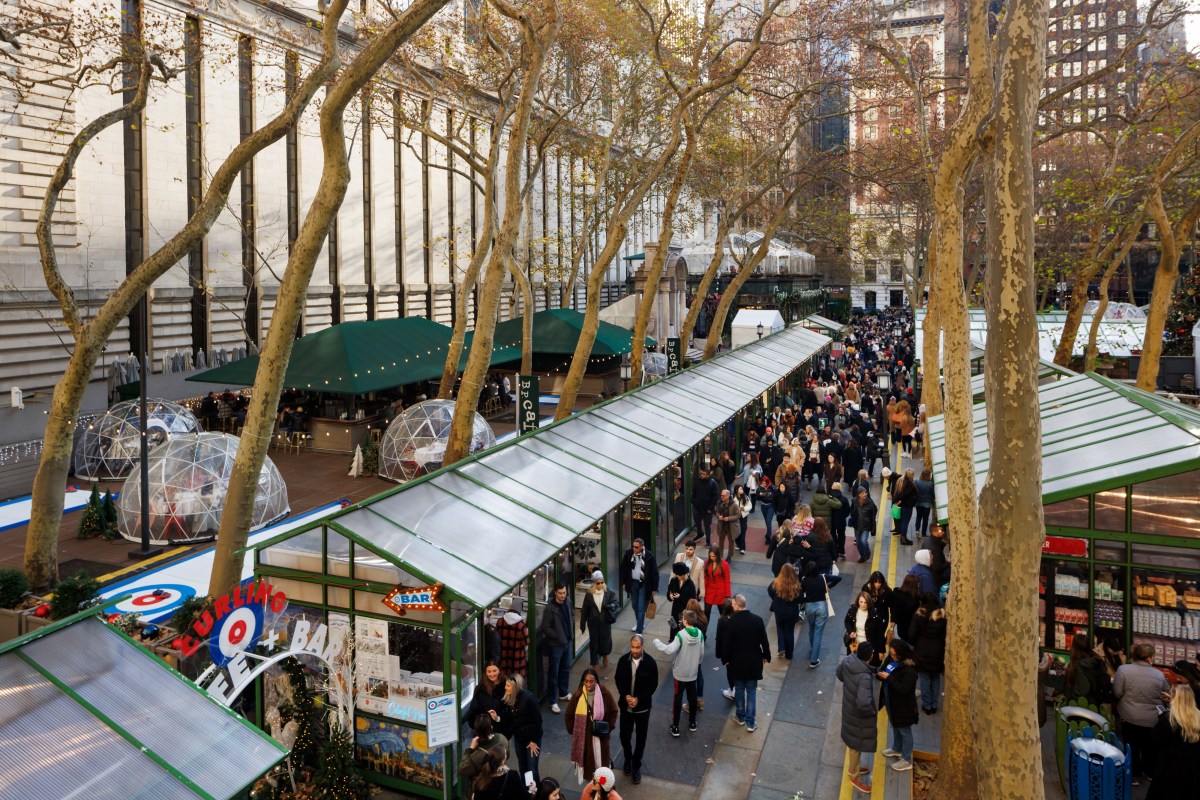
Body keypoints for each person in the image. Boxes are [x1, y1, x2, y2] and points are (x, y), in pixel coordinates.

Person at [1114, 643, 1170, 785]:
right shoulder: (1159, 675)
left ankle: (1134, 775)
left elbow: (1117, 692)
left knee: (1131, 746)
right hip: (1151, 719)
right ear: (1150, 658)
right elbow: (1166, 696)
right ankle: (1150, 772)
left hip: (1128, 715)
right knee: (1149, 747)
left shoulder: (1123, 670)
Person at [720, 594, 771, 732]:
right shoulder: (757, 620)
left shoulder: (731, 623)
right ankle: (750, 722)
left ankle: (740, 716)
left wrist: (725, 659)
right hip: (754, 662)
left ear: (736, 605)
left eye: (733, 604)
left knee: (739, 690)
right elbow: (764, 641)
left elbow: (726, 645)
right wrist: (767, 656)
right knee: (752, 691)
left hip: (736, 663)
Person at [654, 609, 705, 736]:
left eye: (683, 618)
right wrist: (696, 664)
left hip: (680, 673)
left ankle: (675, 726)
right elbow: (701, 654)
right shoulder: (700, 634)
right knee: (692, 698)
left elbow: (669, 650)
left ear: (686, 621)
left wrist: (657, 643)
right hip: (692, 673)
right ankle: (692, 722)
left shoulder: (680, 635)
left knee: (677, 698)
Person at [615, 635, 658, 784]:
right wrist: (625, 695)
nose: (635, 650)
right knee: (624, 735)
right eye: (632, 647)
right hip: (626, 707)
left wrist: (638, 699)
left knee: (641, 738)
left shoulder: (650, 663)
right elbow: (618, 679)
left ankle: (636, 765)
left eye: (637, 647)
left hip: (643, 709)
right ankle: (628, 757)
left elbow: (653, 685)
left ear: (642, 647)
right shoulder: (623, 661)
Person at [564, 668, 618, 785]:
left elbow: (614, 711)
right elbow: (568, 715)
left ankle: (602, 789)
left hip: (601, 738)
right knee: (589, 767)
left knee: (602, 766)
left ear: (596, 681)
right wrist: (575, 731)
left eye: (591, 681)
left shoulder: (605, 693)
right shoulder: (577, 696)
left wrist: (608, 728)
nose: (588, 684)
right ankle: (592, 788)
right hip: (585, 739)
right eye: (586, 681)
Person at [837, 641, 878, 793]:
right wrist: (872, 712)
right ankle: (854, 776)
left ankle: (854, 767)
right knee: (855, 745)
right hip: (858, 717)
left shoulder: (848, 660)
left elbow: (839, 673)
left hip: (848, 710)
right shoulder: (864, 678)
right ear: (870, 656)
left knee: (853, 742)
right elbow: (863, 703)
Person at [1146, 684, 1200, 799]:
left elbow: (1156, 740)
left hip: (1169, 771)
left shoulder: (1169, 720)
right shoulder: (1197, 718)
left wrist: (1161, 718)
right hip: (1192, 773)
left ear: (1175, 699)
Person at [878, 638, 919, 772]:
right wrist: (880, 674)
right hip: (891, 702)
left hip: (903, 707)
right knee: (894, 724)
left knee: (905, 731)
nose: (892, 656)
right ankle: (897, 748)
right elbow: (883, 668)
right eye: (891, 653)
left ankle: (906, 759)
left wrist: (888, 678)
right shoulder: (891, 659)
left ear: (901, 655)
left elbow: (904, 689)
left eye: (895, 655)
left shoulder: (909, 670)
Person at [537, 585, 574, 714]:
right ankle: (552, 701)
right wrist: (558, 636)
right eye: (560, 593)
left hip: (567, 642)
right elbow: (545, 627)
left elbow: (571, 615)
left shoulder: (568, 602)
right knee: (554, 673)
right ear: (555, 593)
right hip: (556, 645)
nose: (563, 595)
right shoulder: (550, 608)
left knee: (565, 668)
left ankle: (563, 693)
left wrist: (569, 634)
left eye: (564, 592)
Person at [907, 594, 946, 714]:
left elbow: (911, 635)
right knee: (935, 677)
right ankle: (934, 704)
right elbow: (945, 635)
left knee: (924, 677)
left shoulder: (919, 615)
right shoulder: (942, 617)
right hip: (938, 651)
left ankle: (926, 705)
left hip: (922, 651)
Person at [502, 673, 543, 786]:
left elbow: (538, 722)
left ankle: (537, 794)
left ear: (515, 687)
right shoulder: (510, 698)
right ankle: (527, 791)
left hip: (531, 739)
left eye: (508, 686)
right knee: (523, 767)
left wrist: (533, 741)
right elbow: (512, 721)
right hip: (519, 738)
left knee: (532, 769)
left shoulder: (529, 699)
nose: (505, 688)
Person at [619, 539, 659, 635]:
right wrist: (623, 583)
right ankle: (640, 623)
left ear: (641, 546)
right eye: (633, 546)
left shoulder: (649, 556)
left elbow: (655, 573)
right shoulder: (629, 554)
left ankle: (639, 631)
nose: (634, 548)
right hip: (632, 583)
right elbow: (623, 569)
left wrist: (654, 588)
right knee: (634, 604)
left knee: (641, 607)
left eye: (636, 547)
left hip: (644, 584)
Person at [1064, 632, 1114, 708]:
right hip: (1096, 706)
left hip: (1081, 707)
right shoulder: (1097, 660)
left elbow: (1081, 691)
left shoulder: (1078, 666)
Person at [580, 571, 616, 670]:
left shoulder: (609, 593)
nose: (600, 585)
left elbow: (615, 604)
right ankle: (594, 662)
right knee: (594, 643)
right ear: (594, 584)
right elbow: (584, 610)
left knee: (605, 640)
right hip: (593, 622)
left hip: (605, 621)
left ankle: (605, 655)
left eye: (601, 582)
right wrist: (582, 624)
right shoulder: (589, 595)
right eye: (597, 583)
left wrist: (610, 606)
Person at [459, 715, 510, 784]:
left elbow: (462, 770)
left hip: (483, 785)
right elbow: (508, 755)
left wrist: (470, 749)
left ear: (476, 731)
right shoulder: (501, 738)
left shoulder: (475, 756)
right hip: (502, 780)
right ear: (491, 727)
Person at [768, 562, 802, 660]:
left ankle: (781, 647)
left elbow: (770, 591)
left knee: (780, 627)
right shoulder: (796, 584)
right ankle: (789, 655)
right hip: (791, 612)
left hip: (779, 609)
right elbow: (800, 599)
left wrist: (775, 599)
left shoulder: (776, 582)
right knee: (789, 632)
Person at [800, 561, 830, 668]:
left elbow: (800, 593)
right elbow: (838, 579)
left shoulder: (804, 580)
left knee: (811, 628)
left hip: (809, 607)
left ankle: (814, 647)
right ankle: (814, 660)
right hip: (821, 606)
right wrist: (828, 587)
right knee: (818, 632)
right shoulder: (822, 578)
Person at [844, 590, 888, 663]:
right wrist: (850, 631)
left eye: (865, 602)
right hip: (855, 645)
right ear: (858, 601)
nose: (863, 604)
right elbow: (847, 621)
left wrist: (881, 651)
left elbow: (880, 633)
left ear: (869, 602)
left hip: (868, 647)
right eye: (861, 602)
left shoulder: (874, 614)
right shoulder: (853, 610)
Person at [464, 663, 506, 730]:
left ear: (499, 670)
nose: (492, 674)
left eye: (494, 671)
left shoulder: (507, 685)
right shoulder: (481, 688)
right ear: (485, 673)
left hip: (503, 726)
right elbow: (473, 709)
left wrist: (498, 719)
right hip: (485, 728)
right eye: (489, 671)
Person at [800, 517, 841, 588]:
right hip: (826, 562)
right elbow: (833, 550)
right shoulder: (828, 536)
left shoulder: (810, 536)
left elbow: (807, 550)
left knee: (814, 579)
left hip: (814, 562)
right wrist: (834, 559)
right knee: (824, 580)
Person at [702, 546, 732, 628]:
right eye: (710, 556)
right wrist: (702, 591)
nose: (712, 558)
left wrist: (727, 595)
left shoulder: (725, 565)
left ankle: (725, 633)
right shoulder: (707, 563)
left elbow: (727, 581)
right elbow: (705, 578)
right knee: (706, 615)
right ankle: (703, 635)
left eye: (713, 556)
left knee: (723, 615)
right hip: (709, 591)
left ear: (718, 555)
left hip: (720, 593)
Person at [690, 468, 720, 547]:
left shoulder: (713, 483)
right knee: (697, 521)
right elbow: (694, 491)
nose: (702, 476)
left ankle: (708, 541)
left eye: (703, 474)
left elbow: (716, 496)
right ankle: (700, 533)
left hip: (707, 509)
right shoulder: (697, 481)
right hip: (697, 507)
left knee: (707, 525)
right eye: (701, 474)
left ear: (708, 475)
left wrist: (710, 508)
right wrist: (693, 501)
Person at [849, 485, 877, 563]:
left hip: (866, 526)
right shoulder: (854, 501)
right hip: (857, 525)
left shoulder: (870, 503)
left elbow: (874, 514)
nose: (865, 494)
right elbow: (852, 510)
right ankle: (862, 556)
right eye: (863, 493)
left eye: (866, 492)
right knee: (858, 542)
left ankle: (867, 553)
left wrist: (873, 528)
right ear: (859, 494)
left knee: (863, 541)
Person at [666, 561, 697, 630]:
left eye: (680, 575)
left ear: (684, 574)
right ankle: (672, 639)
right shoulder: (673, 580)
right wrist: (670, 596)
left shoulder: (690, 584)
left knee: (682, 628)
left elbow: (693, 599)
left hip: (685, 609)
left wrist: (680, 597)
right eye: (677, 575)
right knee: (673, 625)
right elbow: (669, 591)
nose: (678, 576)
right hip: (675, 609)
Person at [888, 574, 920, 641]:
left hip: (901, 627)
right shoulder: (914, 600)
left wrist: (893, 620)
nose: (918, 586)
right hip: (910, 628)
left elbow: (893, 608)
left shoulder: (896, 593)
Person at [891, 469, 917, 544]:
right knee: (905, 522)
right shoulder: (909, 483)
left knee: (902, 521)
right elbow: (906, 494)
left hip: (900, 505)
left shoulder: (900, 480)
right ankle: (903, 539)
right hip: (907, 505)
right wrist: (901, 499)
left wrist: (897, 500)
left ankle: (903, 537)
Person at [828, 482, 850, 560]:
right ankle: (841, 551)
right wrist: (843, 516)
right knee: (841, 536)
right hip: (841, 521)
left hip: (831, 521)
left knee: (832, 535)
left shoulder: (828, 498)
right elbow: (848, 510)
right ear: (840, 489)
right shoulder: (844, 499)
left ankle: (835, 551)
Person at [913, 468, 935, 539]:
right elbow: (932, 494)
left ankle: (917, 530)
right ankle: (923, 533)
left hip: (918, 502)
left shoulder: (917, 481)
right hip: (927, 504)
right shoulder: (931, 484)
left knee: (918, 517)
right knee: (925, 519)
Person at [755, 476, 776, 542]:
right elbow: (757, 497)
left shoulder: (771, 487)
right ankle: (768, 532)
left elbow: (773, 495)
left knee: (768, 521)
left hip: (771, 506)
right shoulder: (759, 488)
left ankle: (768, 537)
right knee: (766, 521)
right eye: (762, 483)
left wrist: (763, 494)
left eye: (765, 483)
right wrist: (767, 494)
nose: (764, 484)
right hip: (763, 506)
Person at [734, 483, 752, 554]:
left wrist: (743, 508)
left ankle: (742, 547)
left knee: (743, 531)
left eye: (742, 489)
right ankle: (738, 544)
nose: (742, 490)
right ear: (736, 490)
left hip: (743, 516)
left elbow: (750, 506)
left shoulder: (745, 497)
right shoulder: (733, 497)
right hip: (735, 517)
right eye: (740, 489)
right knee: (736, 531)